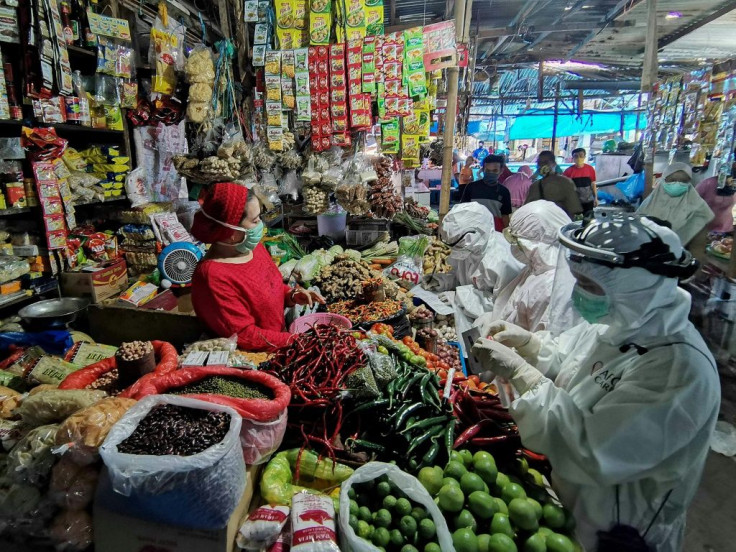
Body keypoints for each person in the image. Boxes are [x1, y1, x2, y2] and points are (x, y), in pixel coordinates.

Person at [471, 212, 719, 552]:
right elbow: (571, 361)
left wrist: (522, 374)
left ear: (635, 290)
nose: (578, 293)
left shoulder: (679, 370)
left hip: (620, 529)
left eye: (589, 285)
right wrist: (530, 346)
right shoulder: (618, 322)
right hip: (572, 499)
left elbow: (590, 449)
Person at [190, 182, 324, 352]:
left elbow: (271, 286)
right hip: (257, 356)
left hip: (279, 340)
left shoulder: (251, 247)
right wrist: (299, 340)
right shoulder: (212, 277)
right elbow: (246, 336)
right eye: (255, 221)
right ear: (229, 233)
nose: (261, 225)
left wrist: (292, 295)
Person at [423, 202, 523, 336]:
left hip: (491, 326)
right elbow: (458, 274)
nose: (454, 251)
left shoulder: (503, 261)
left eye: (458, 245)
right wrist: (441, 281)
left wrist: (460, 296)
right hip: (468, 316)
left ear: (476, 234)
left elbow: (502, 305)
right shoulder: (471, 248)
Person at [490, 201, 575, 332]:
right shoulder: (535, 267)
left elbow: (540, 341)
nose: (515, 247)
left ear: (533, 244)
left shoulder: (551, 285)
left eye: (517, 242)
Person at [637, 162, 714, 245]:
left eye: (683, 181)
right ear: (664, 180)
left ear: (689, 183)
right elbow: (637, 228)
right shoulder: (650, 203)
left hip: (681, 254)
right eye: (672, 180)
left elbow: (698, 245)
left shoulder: (699, 208)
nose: (677, 184)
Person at [460, 154, 513, 229]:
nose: (491, 173)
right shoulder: (471, 187)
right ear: (483, 170)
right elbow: (462, 210)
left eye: (495, 171)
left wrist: (506, 234)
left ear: (501, 171)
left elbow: (505, 216)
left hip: (495, 232)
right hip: (473, 230)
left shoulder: (504, 192)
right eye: (488, 170)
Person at [525, 151, 582, 219]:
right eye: (540, 163)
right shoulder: (535, 186)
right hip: (560, 224)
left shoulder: (566, 183)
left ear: (554, 164)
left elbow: (526, 210)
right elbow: (575, 208)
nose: (542, 166)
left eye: (546, 162)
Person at [563, 147, 597, 214]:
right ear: (573, 158)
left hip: (588, 202)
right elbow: (565, 187)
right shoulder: (568, 171)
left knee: (588, 220)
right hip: (574, 203)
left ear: (584, 157)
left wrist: (595, 198)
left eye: (581, 156)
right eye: (576, 156)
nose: (579, 158)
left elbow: (593, 184)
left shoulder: (590, 169)